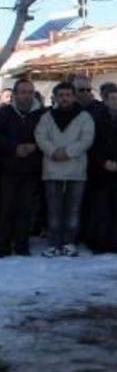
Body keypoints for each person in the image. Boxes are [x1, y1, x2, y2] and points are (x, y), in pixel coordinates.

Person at [34, 82, 95, 257]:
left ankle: (69, 243)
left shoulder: (84, 117)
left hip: (76, 170)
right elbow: (40, 137)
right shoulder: (46, 117)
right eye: (61, 95)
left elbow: (87, 139)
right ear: (55, 97)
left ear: (74, 97)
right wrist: (53, 152)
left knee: (73, 210)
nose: (64, 98)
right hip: (52, 169)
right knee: (54, 210)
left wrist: (68, 152)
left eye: (68, 95)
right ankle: (54, 243)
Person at [0, 79, 45, 256]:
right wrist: (14, 147)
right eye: (23, 92)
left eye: (30, 92)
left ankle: (22, 245)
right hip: (7, 168)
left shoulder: (42, 114)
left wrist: (34, 146)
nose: (27, 95)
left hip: (31, 169)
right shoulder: (4, 113)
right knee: (5, 208)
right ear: (15, 94)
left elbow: (48, 136)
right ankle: (3, 245)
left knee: (26, 209)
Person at [89, 86, 117, 254]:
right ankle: (100, 242)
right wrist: (103, 162)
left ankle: (116, 242)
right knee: (101, 209)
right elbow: (92, 144)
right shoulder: (96, 118)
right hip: (101, 171)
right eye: (112, 98)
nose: (116, 102)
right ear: (106, 101)